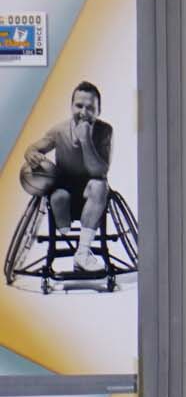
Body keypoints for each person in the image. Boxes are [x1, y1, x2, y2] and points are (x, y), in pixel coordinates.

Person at [19, 81, 114, 276]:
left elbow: (99, 172)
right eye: (79, 105)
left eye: (90, 108)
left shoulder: (105, 131)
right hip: (64, 192)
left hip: (92, 195)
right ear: (71, 106)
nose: (83, 112)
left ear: (99, 111)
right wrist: (30, 152)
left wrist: (86, 139)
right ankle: (65, 231)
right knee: (58, 197)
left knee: (100, 186)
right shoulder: (58, 130)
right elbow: (35, 147)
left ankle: (82, 252)